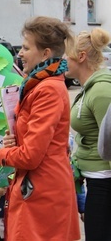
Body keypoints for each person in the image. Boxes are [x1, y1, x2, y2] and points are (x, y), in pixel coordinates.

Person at [0, 16, 80, 240]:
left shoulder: (46, 89)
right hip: (39, 188)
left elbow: (31, 156)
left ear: (45, 53)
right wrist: (15, 144)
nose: (19, 53)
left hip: (42, 194)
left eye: (25, 47)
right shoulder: (39, 84)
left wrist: (2, 154)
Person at [65, 27, 111, 240]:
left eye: (67, 55)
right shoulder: (89, 89)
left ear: (81, 57)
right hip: (93, 179)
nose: (63, 60)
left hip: (104, 181)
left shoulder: (102, 91)